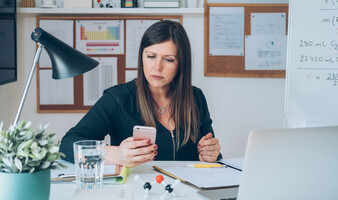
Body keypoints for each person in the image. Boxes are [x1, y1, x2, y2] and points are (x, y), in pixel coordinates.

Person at [59, 20, 221, 167]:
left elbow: (211, 155)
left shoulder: (196, 98)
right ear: (141, 57)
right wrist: (115, 154)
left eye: (169, 59)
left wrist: (212, 155)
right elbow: (67, 145)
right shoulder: (118, 98)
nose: (157, 67)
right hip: (137, 192)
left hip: (185, 194)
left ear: (181, 64)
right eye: (151, 56)